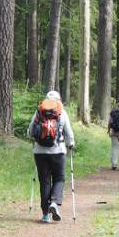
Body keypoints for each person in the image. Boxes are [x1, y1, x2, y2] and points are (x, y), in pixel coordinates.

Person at [27, 91, 75, 223]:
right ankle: (54, 202)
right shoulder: (62, 112)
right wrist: (71, 144)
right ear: (59, 100)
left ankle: (45, 214)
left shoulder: (39, 112)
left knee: (44, 181)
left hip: (40, 152)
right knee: (59, 178)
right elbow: (68, 133)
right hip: (58, 151)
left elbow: (30, 131)